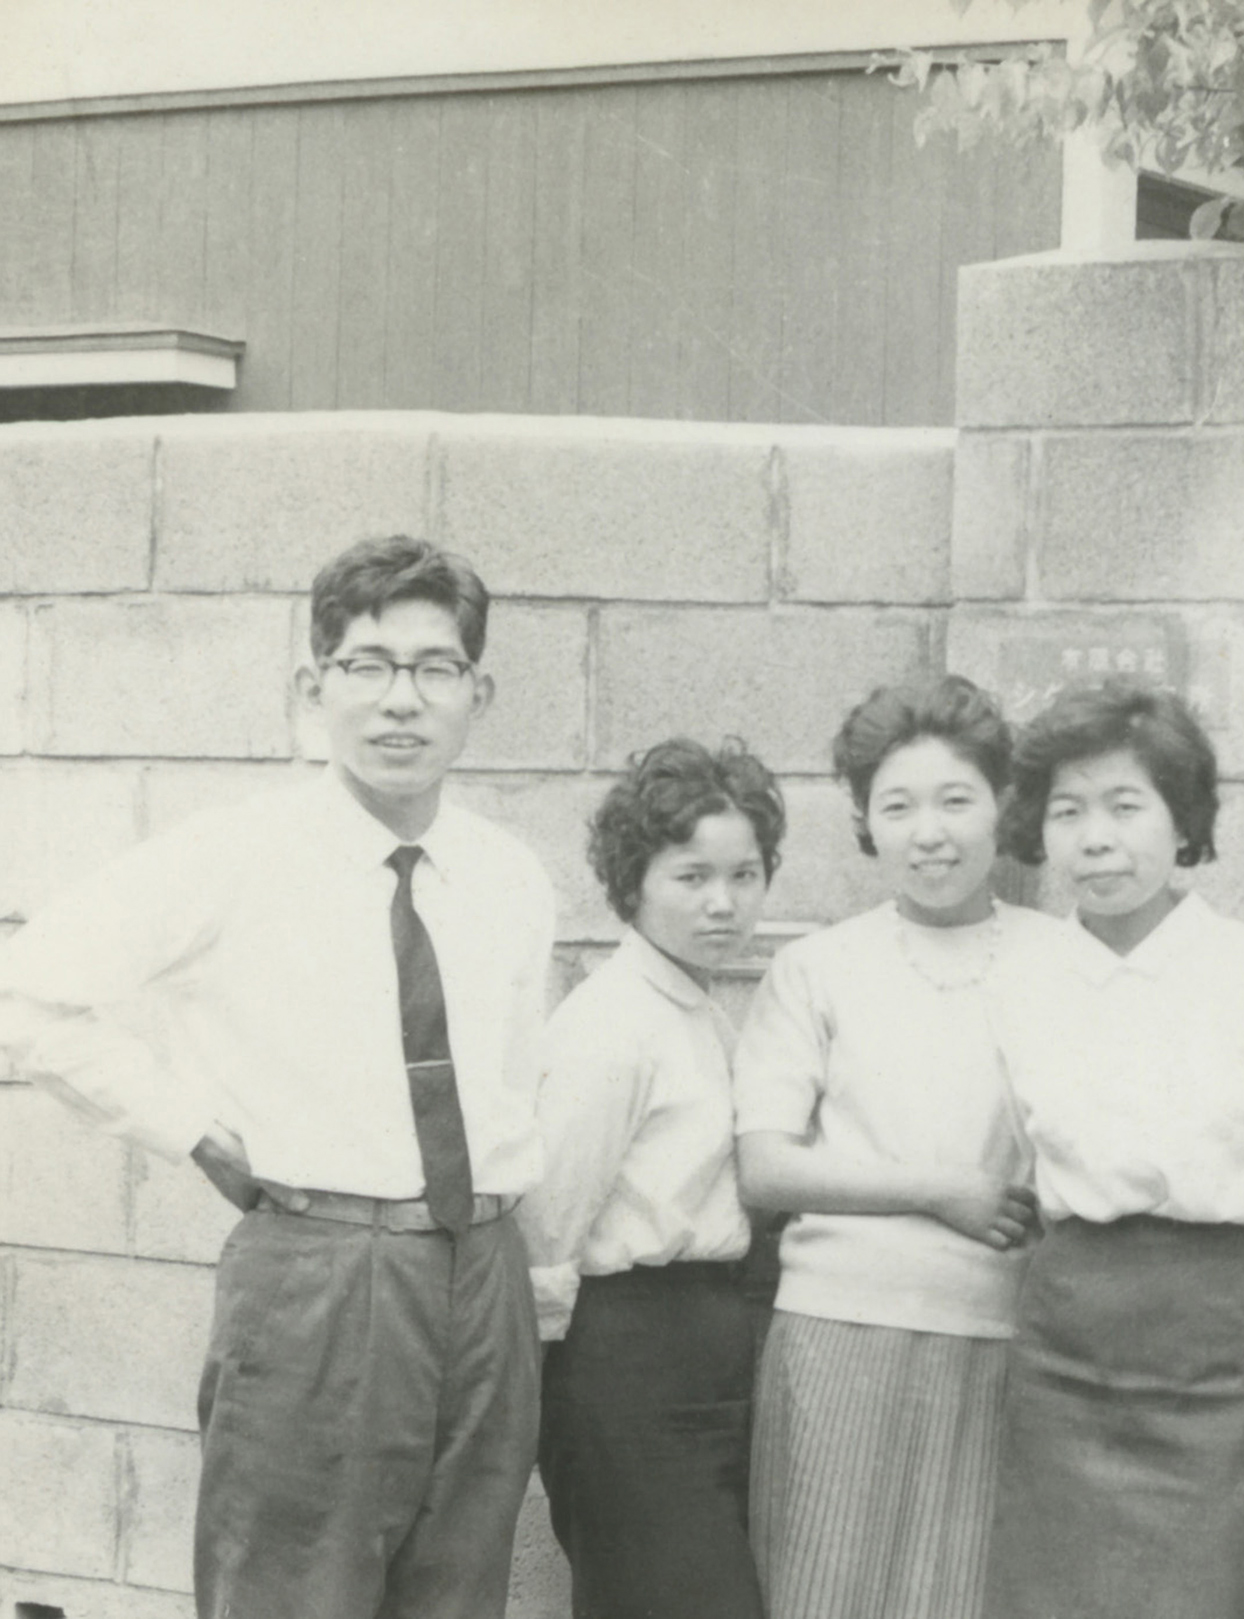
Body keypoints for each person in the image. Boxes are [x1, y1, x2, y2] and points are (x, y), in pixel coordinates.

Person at [0, 535, 555, 1619]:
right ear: (314, 686)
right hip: (320, 1272)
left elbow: (513, 1084)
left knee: (460, 1592)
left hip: (487, 1273)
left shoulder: (511, 875)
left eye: (435, 667)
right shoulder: (235, 853)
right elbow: (26, 995)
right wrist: (187, 1127)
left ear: (477, 692)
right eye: (368, 664)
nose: (402, 699)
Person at [982, 678, 1244, 1619]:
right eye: (1068, 811)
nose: (1095, 837)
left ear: (1183, 820)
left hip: (1225, 1340)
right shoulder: (1021, 980)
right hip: (1071, 1339)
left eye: (1124, 805)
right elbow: (1020, 1149)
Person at [733, 675, 1048, 1619]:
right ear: (867, 821)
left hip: (1002, 1335)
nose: (929, 832)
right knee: (822, 1590)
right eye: (898, 806)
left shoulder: (1064, 960)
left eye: (956, 800)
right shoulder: (817, 967)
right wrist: (939, 1189)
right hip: (837, 1328)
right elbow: (766, 1166)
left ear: (1002, 806)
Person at [519, 737, 787, 1619]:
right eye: (692, 876)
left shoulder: (700, 1008)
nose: (723, 902)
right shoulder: (612, 1023)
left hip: (706, 1356)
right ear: (632, 881)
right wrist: (546, 1394)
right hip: (623, 1364)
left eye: (744, 875)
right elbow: (547, 1221)